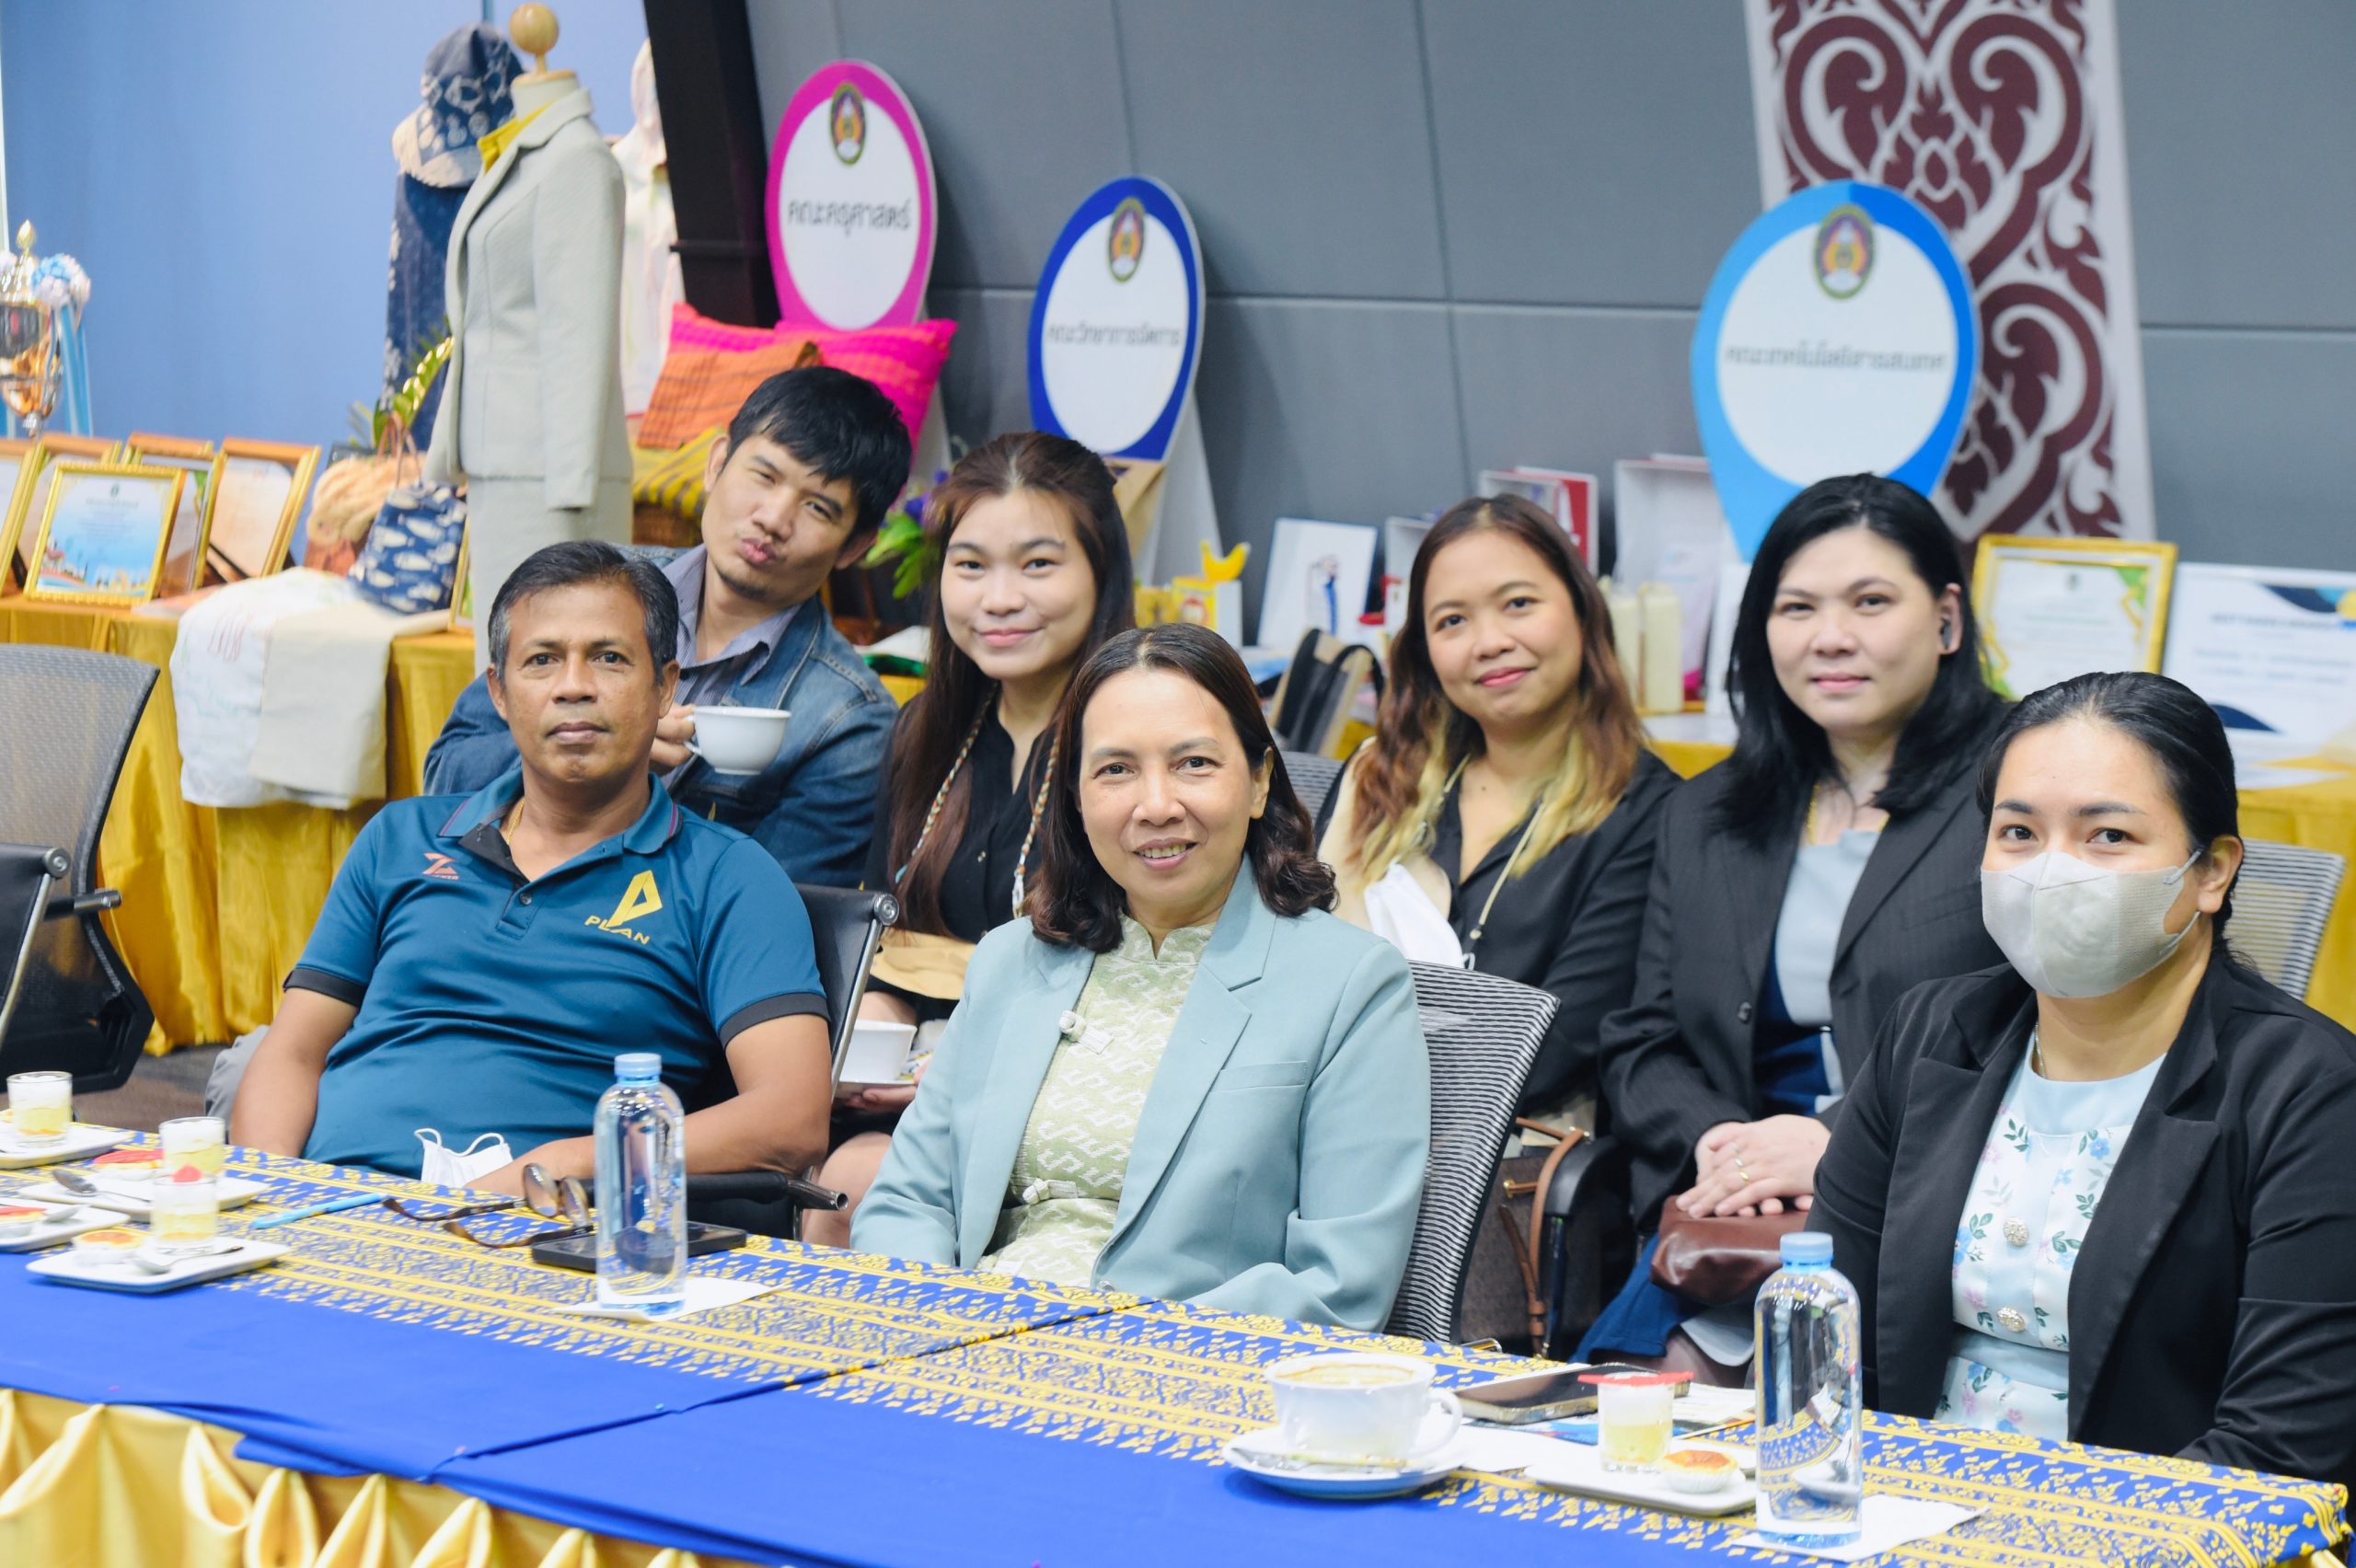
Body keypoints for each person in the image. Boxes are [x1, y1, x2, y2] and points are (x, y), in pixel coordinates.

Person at [1813, 673, 2356, 1488]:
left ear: (2211, 871)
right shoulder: (1929, 1032)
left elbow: (2280, 1449)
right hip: (1897, 1505)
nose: (2051, 872)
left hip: (2156, 1522)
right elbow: (1824, 1334)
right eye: (2019, 833)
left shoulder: (2311, 1092)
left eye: (2107, 836)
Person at [851, 624, 1430, 1331]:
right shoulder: (1010, 961)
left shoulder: (1350, 985)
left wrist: (1099, 1344)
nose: (1156, 805)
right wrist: (934, 1319)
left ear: (1259, 782)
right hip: (961, 1339)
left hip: (1180, 1361)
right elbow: (908, 1202)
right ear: (1074, 795)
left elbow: (1338, 1284)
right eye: (1116, 770)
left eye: (1194, 763)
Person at [231, 542, 834, 1192]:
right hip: (330, 1207)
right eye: (542, 660)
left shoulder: (730, 878)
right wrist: (273, 1188)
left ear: (665, 687)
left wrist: (562, 1165)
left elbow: (791, 1120)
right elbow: (293, 1052)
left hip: (546, 1224)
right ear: (498, 691)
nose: (573, 686)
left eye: (609, 658)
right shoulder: (400, 838)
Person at [1584, 474, 2007, 1372]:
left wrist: (1834, 1141)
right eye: (1797, 607)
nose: (1830, 637)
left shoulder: (2016, 798)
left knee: (1752, 1405)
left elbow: (2039, 1030)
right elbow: (1642, 1042)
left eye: (1870, 602)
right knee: (1622, 1406)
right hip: (1738, 1210)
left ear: (1946, 620)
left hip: (1931, 1193)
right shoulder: (1705, 815)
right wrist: (1724, 1149)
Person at [802, 432, 1135, 1245]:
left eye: (1038, 564)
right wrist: (871, 1042)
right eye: (971, 565)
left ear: (1102, 572)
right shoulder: (927, 730)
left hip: (1074, 1081)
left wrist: (947, 1071)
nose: (999, 598)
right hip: (917, 1089)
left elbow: (1140, 973)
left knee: (856, 1185)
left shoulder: (1134, 739)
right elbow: (894, 940)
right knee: (828, 1172)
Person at [423, 365, 907, 887]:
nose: (773, 518)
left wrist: (629, 786)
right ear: (716, 464)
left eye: (817, 507)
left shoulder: (849, 723)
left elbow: (770, 906)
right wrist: (578, 760)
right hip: (484, 901)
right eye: (764, 477)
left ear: (856, 546)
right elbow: (445, 780)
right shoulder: (585, 588)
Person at [1318, 493, 1675, 1122]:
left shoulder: (1648, 812)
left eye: (1518, 604)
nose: (1489, 642)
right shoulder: (1379, 778)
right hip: (1325, 1124)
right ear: (1424, 649)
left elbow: (1554, 1049)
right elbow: (1294, 970)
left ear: (1582, 609)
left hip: (1510, 1151)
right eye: (1452, 620)